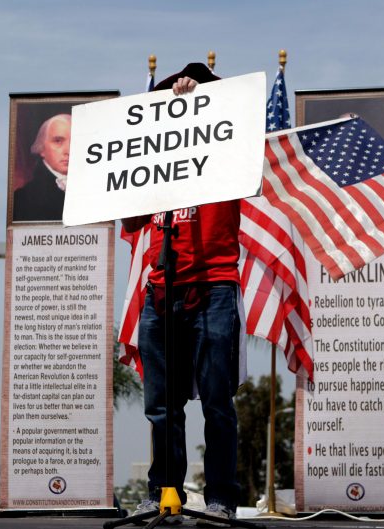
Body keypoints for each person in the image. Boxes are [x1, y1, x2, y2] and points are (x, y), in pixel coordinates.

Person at [123, 63, 242, 526]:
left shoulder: (228, 153)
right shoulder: (152, 163)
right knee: (161, 405)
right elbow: (131, 220)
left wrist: (203, 102)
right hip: (161, 286)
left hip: (213, 284)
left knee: (216, 399)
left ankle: (221, 500)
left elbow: (239, 122)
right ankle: (163, 492)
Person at [13, 113, 71, 221]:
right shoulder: (21, 199)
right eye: (58, 141)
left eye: (75, 142)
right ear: (41, 148)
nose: (68, 151)